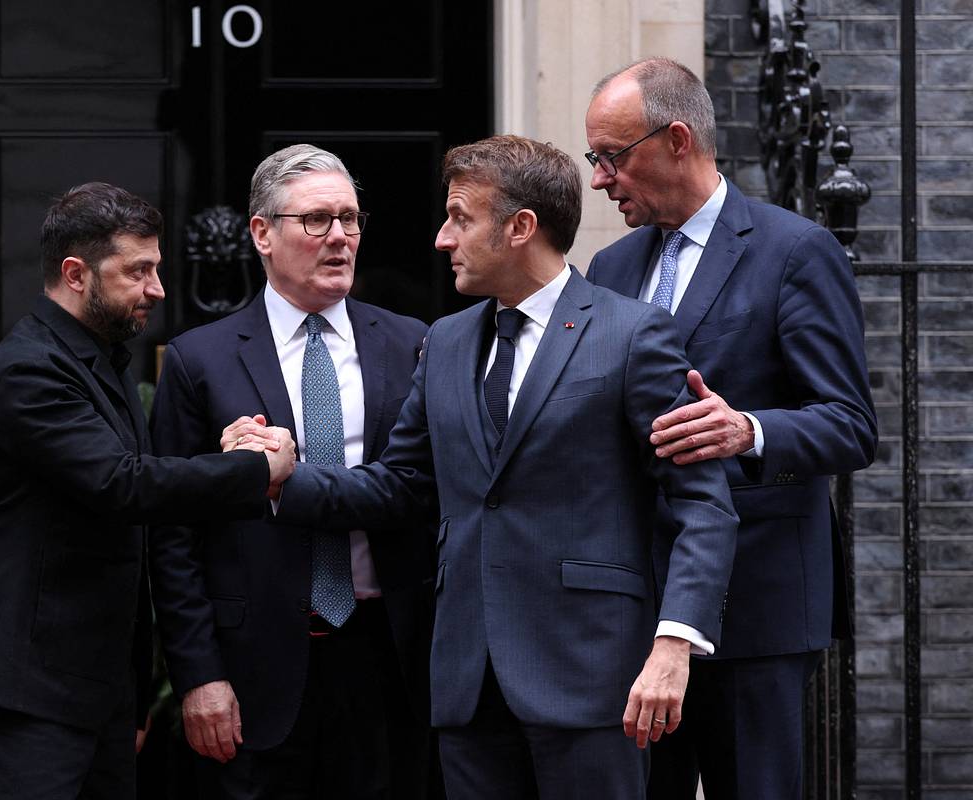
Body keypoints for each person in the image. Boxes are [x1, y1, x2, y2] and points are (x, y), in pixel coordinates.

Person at [240, 135, 739, 799]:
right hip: (467, 683)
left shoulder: (632, 334)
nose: (442, 239)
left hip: (594, 678)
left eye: (460, 218)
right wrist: (284, 478)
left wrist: (674, 645)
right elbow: (401, 485)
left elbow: (702, 503)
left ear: (519, 228)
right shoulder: (445, 341)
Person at [583, 58, 878, 800]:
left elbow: (850, 425)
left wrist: (748, 429)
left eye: (612, 157)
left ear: (677, 139)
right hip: (636, 607)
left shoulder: (794, 250)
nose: (600, 180)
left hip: (757, 601)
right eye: (595, 159)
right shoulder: (610, 268)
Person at [0, 182, 295, 800]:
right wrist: (252, 469)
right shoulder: (29, 368)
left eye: (155, 269)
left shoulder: (101, 361)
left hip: (95, 695)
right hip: (26, 698)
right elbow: (122, 484)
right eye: (138, 271)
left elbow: (134, 483)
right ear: (75, 274)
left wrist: (227, 453)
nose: (157, 289)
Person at [148, 145, 438, 800]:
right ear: (262, 233)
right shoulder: (200, 360)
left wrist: (285, 478)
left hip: (388, 658)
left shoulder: (413, 343)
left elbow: (423, 491)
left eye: (349, 218)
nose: (339, 236)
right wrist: (199, 675)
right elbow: (173, 537)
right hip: (254, 667)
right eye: (315, 220)